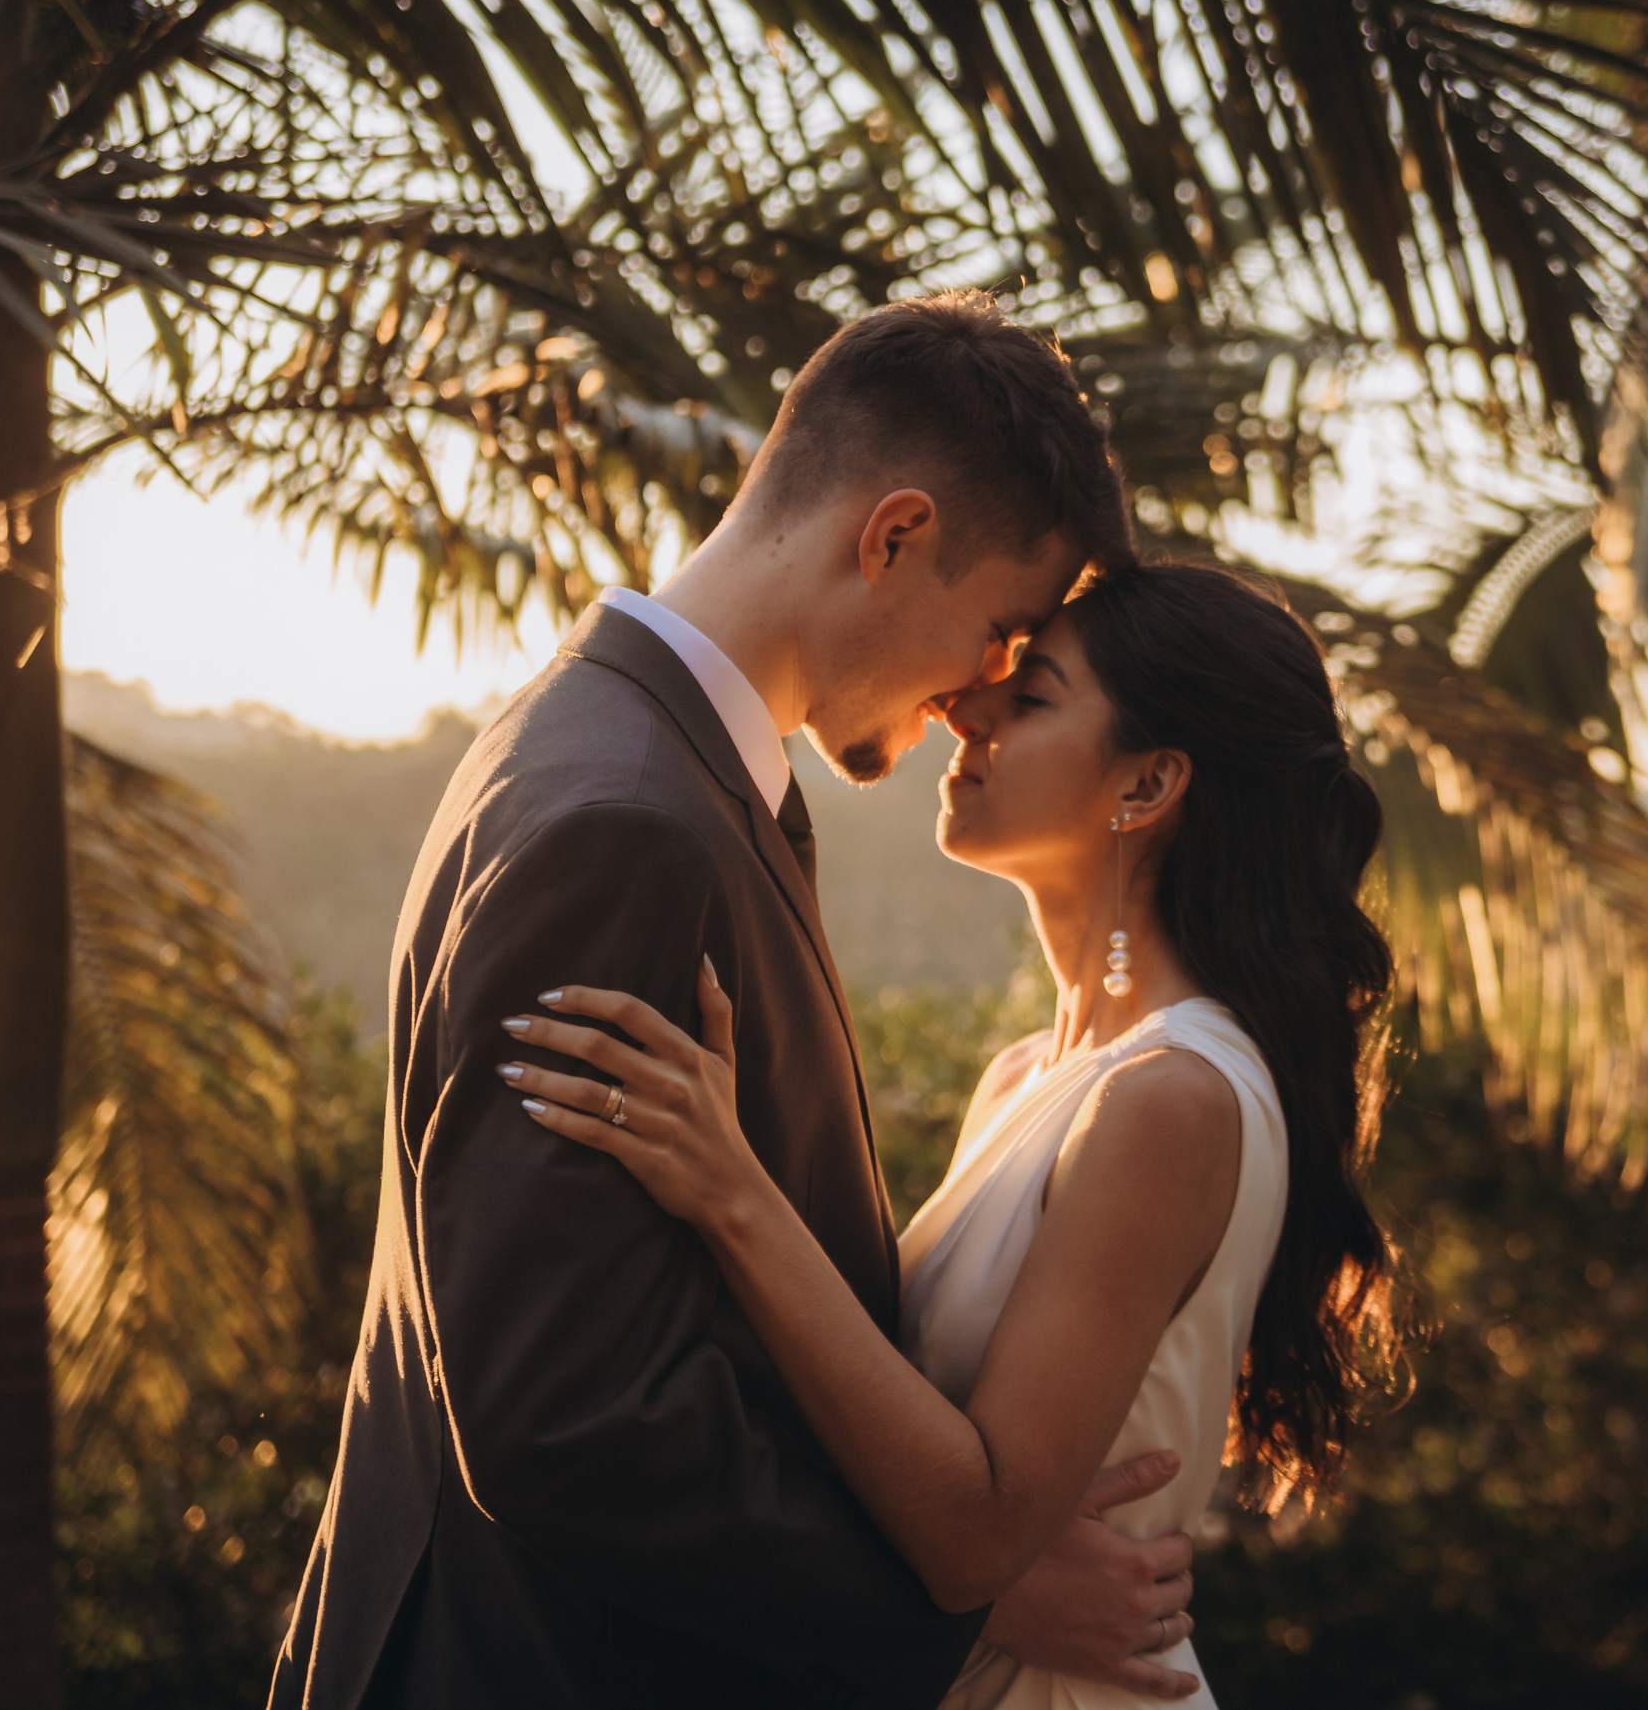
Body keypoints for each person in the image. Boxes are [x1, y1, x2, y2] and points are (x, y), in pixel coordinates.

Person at [269, 292, 1207, 1710]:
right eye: (1000, 632)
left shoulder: (603, 743)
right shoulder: (627, 822)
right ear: (892, 535)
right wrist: (959, 1603)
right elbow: (565, 1417)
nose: (980, 697)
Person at [502, 561, 1408, 1707]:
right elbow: (932, 1477)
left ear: (1148, 783)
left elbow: (976, 1532)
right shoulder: (1033, 1075)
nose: (960, 712)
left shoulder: (1170, 1097)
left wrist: (733, 1188)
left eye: (1029, 699)